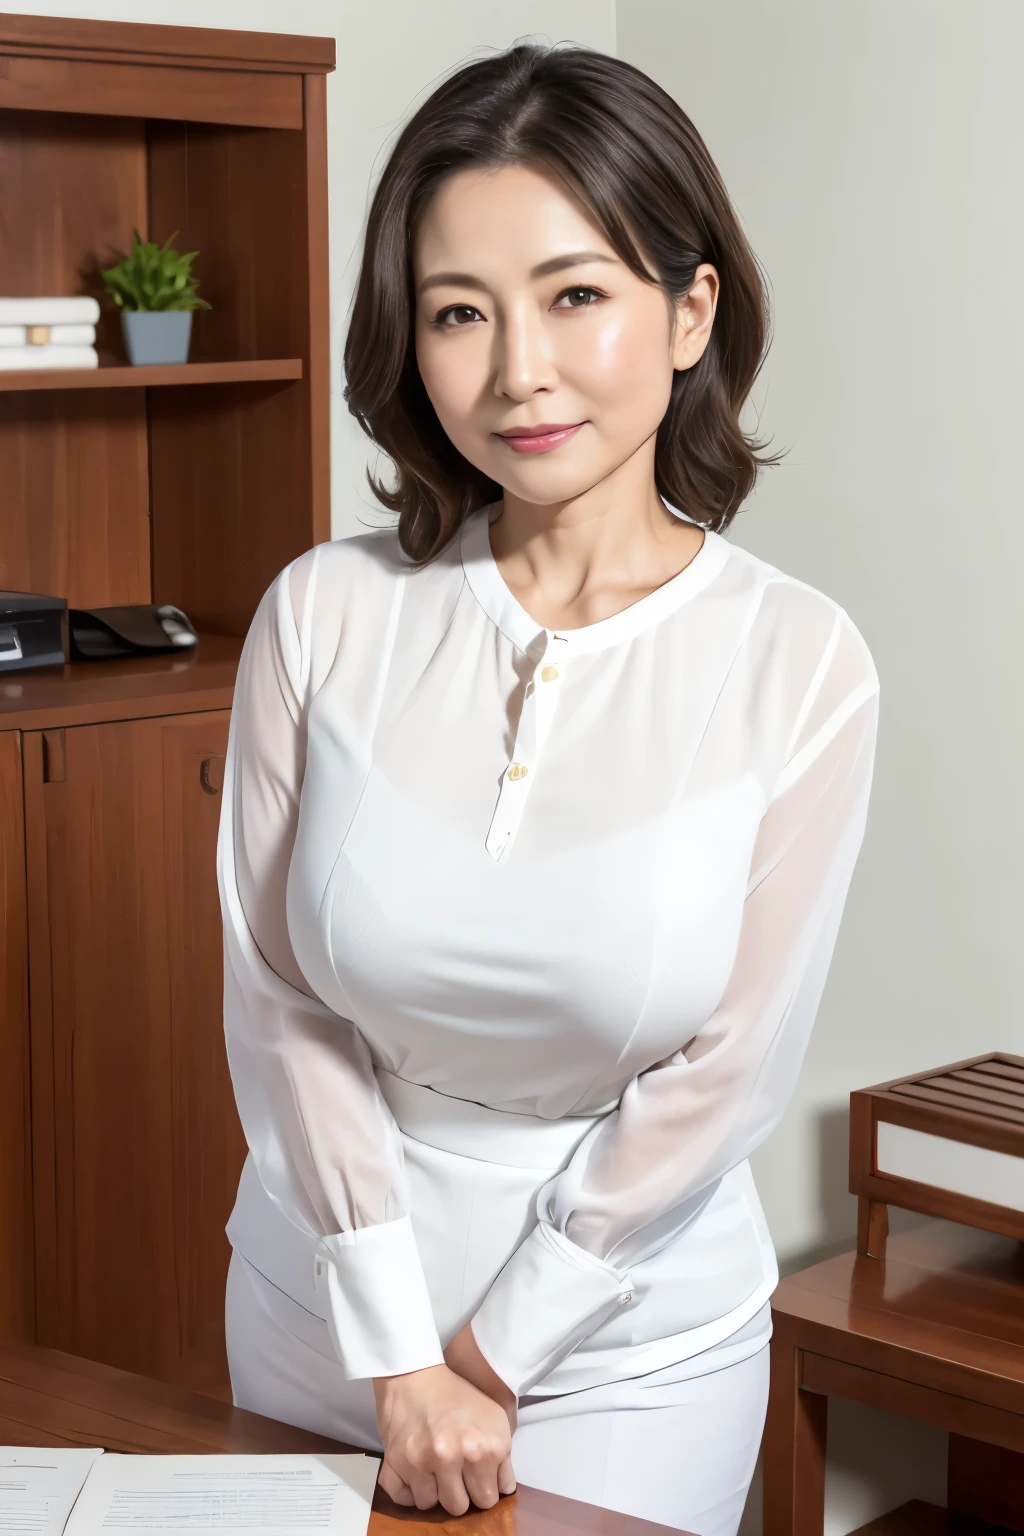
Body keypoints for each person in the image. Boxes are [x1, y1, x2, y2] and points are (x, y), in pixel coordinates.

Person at [217, 41, 879, 1536]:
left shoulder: (799, 661)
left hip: (622, 1361)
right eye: (461, 313)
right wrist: (397, 1353)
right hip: (320, 1321)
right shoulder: (322, 614)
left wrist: (488, 1355)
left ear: (689, 309)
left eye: (577, 294)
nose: (517, 370)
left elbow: (724, 1076)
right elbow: (277, 1002)